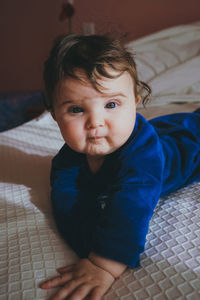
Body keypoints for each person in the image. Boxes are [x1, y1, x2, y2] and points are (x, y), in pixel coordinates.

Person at [40, 34, 200, 300]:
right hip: (165, 130)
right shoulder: (67, 160)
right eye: (77, 110)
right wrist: (86, 245)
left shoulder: (143, 154)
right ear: (55, 115)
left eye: (111, 104)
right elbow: (66, 202)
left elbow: (133, 203)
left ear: (135, 102)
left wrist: (104, 261)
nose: (96, 123)